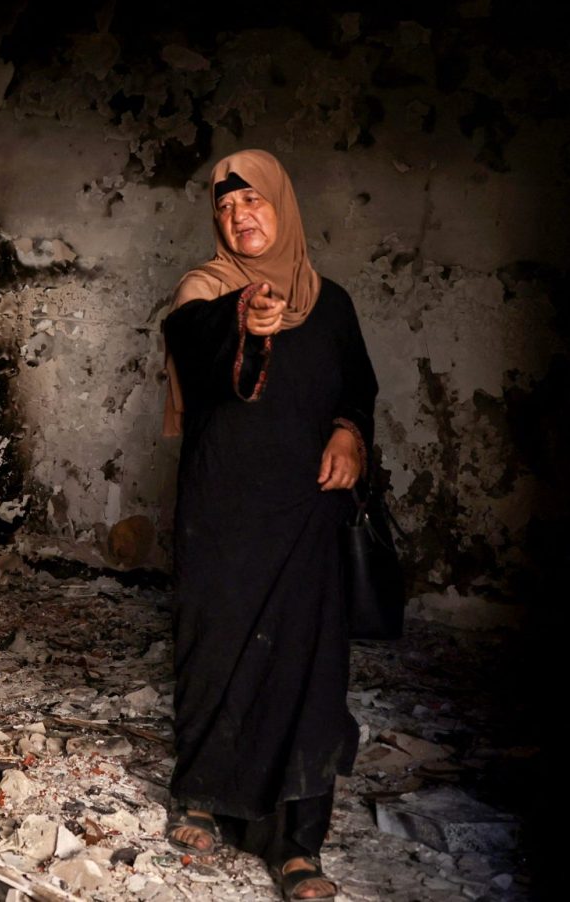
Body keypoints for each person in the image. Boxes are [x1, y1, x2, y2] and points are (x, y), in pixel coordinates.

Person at [159, 149, 378, 901]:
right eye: (224, 208)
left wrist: (349, 433)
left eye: (251, 202)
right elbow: (192, 340)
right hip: (222, 512)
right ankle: (202, 796)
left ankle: (296, 844)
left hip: (305, 517)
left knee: (306, 670)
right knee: (214, 650)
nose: (237, 217)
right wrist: (243, 321)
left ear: (282, 208)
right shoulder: (207, 289)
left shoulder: (332, 303)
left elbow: (356, 387)